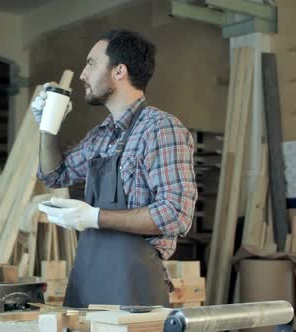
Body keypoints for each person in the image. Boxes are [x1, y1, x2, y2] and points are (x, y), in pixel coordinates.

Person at [31, 29, 197, 307]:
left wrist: (95, 217)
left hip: (133, 289)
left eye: (92, 63)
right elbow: (54, 174)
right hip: (87, 283)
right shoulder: (101, 136)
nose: (83, 74)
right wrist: (48, 125)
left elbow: (176, 213)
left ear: (119, 71)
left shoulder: (160, 128)